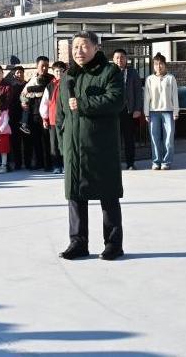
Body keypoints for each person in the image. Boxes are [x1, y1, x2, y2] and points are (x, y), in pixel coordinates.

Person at [56, 31, 125, 261]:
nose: (79, 51)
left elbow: (116, 100)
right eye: (75, 47)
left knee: (108, 195)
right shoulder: (67, 77)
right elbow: (61, 115)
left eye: (84, 46)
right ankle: (78, 242)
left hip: (101, 147)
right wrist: (62, 142)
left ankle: (113, 244)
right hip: (74, 148)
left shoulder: (110, 71)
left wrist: (84, 104)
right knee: (75, 196)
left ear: (96, 47)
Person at [143, 53, 179, 170]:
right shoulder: (149, 79)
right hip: (153, 112)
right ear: (153, 66)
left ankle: (166, 162)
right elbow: (147, 97)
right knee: (154, 138)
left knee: (168, 139)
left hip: (168, 112)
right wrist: (146, 112)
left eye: (161, 64)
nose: (159, 66)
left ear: (165, 65)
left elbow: (175, 96)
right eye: (156, 64)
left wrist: (176, 111)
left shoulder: (170, 78)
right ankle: (156, 161)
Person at [19, 56, 53, 169]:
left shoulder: (51, 78)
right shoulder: (32, 79)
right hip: (34, 114)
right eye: (42, 66)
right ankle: (39, 163)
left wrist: (31, 90)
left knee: (47, 140)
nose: (44, 68)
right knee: (36, 140)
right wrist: (25, 99)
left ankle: (49, 163)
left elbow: (46, 88)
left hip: (48, 114)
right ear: (37, 66)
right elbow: (24, 93)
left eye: (46, 66)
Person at [112, 49, 143, 170]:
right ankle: (114, 163)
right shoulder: (109, 72)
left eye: (122, 57)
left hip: (129, 110)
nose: (119, 60)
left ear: (126, 59)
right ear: (113, 60)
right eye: (117, 58)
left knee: (129, 138)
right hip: (114, 112)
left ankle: (130, 163)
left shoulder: (132, 72)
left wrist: (137, 109)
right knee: (114, 139)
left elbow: (138, 92)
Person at [40, 61, 67, 174]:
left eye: (61, 71)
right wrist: (44, 118)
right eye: (56, 71)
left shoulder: (70, 83)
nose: (59, 73)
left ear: (65, 71)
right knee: (54, 144)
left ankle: (67, 165)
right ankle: (56, 165)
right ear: (53, 72)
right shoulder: (50, 86)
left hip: (67, 119)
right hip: (52, 119)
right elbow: (45, 103)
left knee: (66, 143)